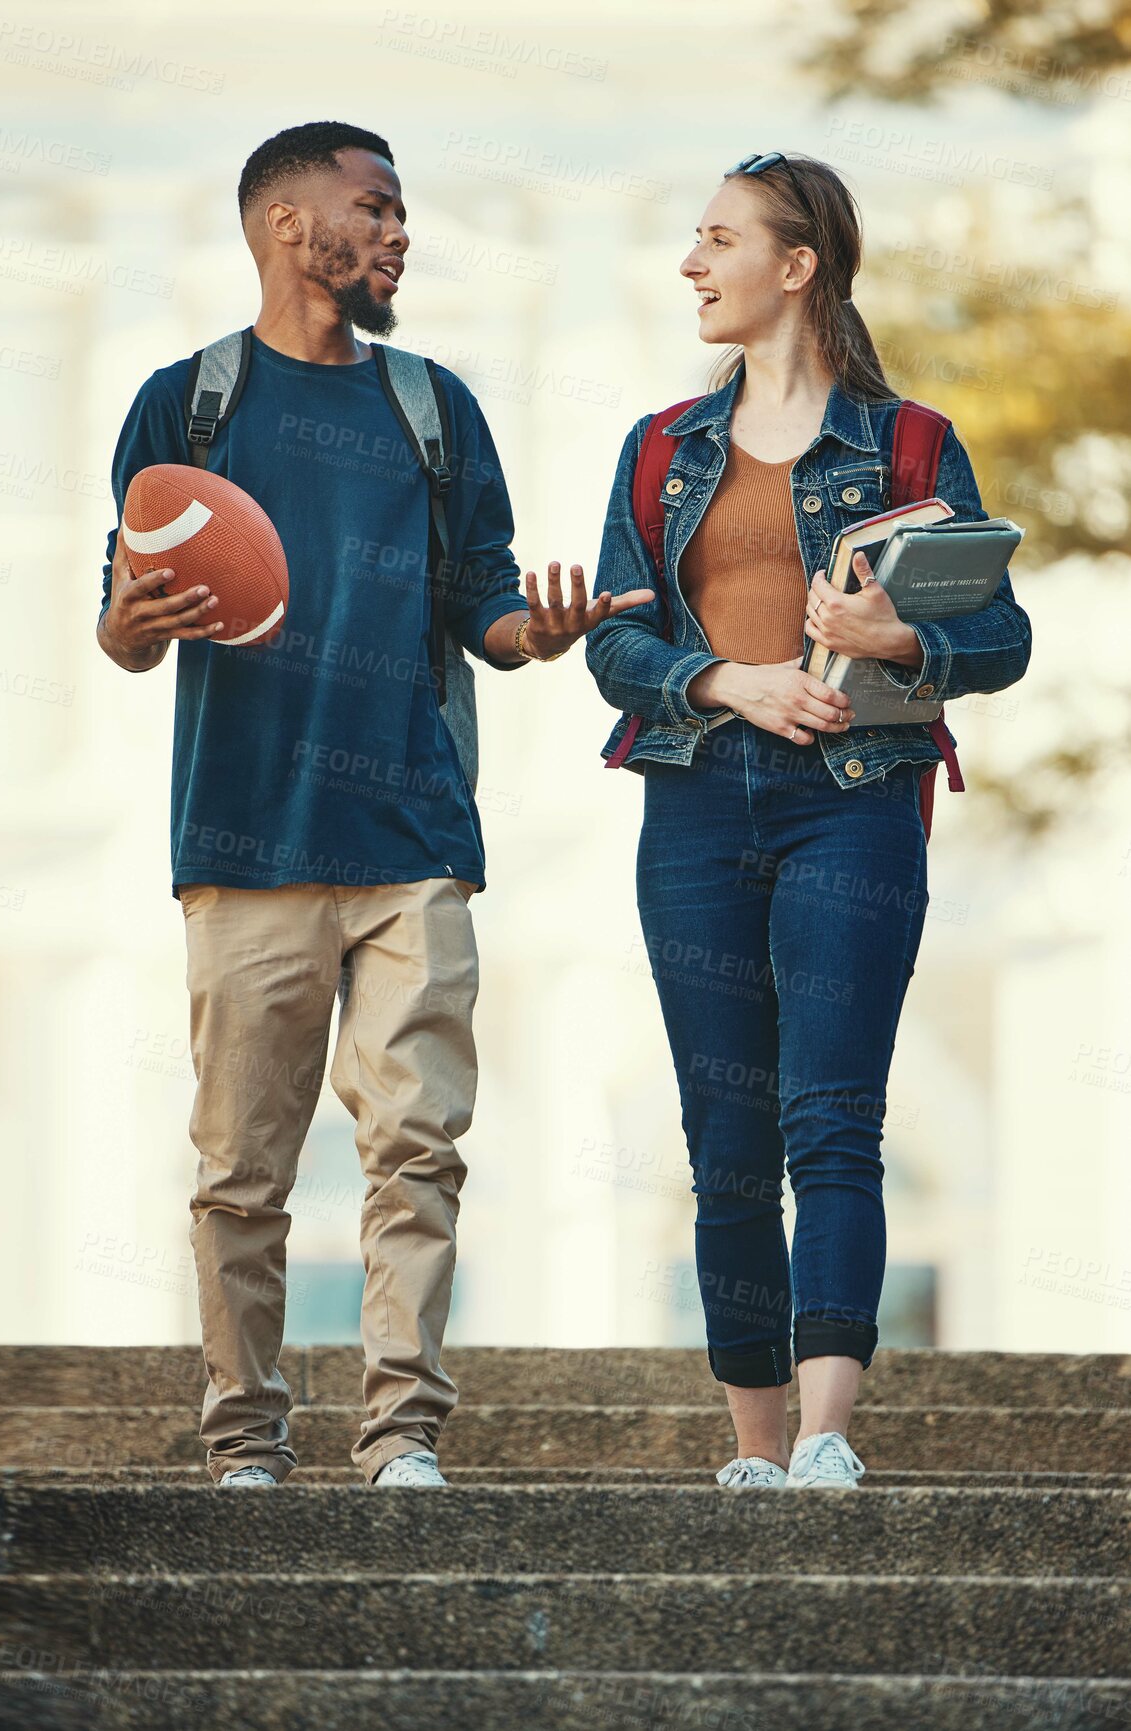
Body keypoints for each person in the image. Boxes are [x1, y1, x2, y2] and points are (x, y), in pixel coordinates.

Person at [96, 121, 651, 1489]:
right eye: (375, 207)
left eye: (401, 213)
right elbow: (128, 629)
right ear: (289, 225)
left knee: (418, 1148)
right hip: (243, 842)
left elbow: (487, 608)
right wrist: (123, 620)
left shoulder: (431, 406)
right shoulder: (189, 407)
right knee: (242, 1170)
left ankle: (401, 1433)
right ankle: (244, 1440)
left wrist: (543, 630)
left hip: (412, 841)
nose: (399, 232)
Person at [585, 152, 1031, 1490]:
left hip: (856, 807)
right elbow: (617, 643)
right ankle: (756, 1449)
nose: (691, 264)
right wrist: (727, 676)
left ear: (798, 265)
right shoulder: (664, 446)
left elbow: (998, 636)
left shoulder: (908, 443)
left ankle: (829, 1436)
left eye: (717, 238)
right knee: (723, 1135)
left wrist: (901, 637)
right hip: (697, 802)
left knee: (831, 1117)